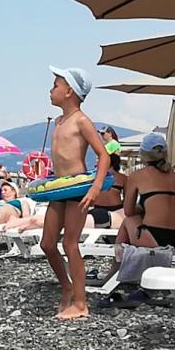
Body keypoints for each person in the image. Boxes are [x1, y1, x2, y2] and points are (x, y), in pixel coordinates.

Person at [39, 66, 111, 320]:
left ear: (69, 91)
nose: (51, 90)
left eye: (56, 85)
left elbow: (104, 156)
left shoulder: (82, 120)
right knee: (47, 243)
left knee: (70, 244)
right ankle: (67, 286)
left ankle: (81, 303)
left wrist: (95, 188)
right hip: (59, 188)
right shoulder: (58, 121)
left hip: (77, 189)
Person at [118, 135, 175, 252]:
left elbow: (128, 211)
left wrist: (142, 208)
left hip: (156, 236)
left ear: (143, 155)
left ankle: (117, 268)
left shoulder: (137, 176)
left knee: (129, 221)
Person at [89, 154, 126, 231]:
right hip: (116, 207)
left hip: (98, 206)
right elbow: (127, 198)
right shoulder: (123, 178)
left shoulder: (96, 176)